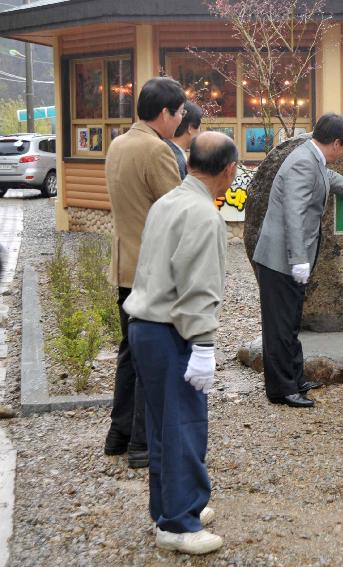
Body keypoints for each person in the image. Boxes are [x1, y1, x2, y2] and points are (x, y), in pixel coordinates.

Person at [125, 131, 236, 555]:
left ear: (189, 163)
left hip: (143, 326)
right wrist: (205, 346)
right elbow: (200, 289)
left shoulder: (167, 201)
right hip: (173, 332)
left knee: (162, 427)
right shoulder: (204, 215)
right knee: (186, 426)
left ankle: (170, 506)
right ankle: (178, 523)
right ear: (228, 171)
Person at [253, 113, 343, 408]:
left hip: (289, 259)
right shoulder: (303, 162)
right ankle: (281, 389)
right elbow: (294, 213)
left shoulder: (312, 158)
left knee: (290, 322)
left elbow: (328, 177)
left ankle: (295, 378)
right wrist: (298, 258)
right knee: (280, 326)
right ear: (336, 143)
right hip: (281, 260)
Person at [104, 77, 185, 468]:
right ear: (166, 113)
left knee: (129, 354)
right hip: (150, 270)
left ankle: (118, 434)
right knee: (152, 359)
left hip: (123, 265)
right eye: (180, 113)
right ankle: (141, 445)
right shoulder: (157, 150)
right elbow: (176, 211)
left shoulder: (119, 144)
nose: (182, 119)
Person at [166, 101, 203, 180]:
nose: (200, 132)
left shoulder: (165, 149)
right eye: (200, 127)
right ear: (190, 128)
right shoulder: (175, 159)